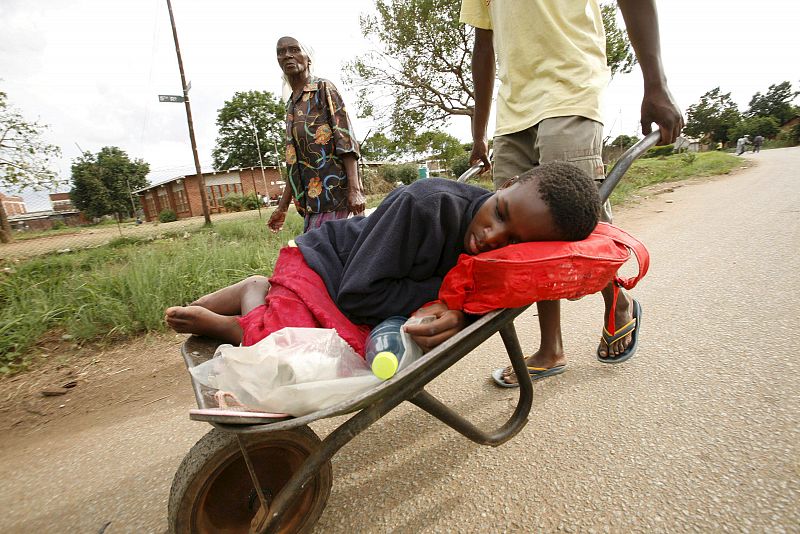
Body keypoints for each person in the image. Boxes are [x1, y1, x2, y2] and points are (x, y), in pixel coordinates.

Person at [460, 0, 684, 386]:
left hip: (570, 88)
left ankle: (619, 301)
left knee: (577, 221)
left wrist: (656, 83)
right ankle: (551, 347)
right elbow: (484, 45)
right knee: (524, 237)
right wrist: (479, 132)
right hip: (512, 111)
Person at [165, 162, 601, 352]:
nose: (491, 237)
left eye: (513, 241)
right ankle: (242, 314)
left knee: (326, 352)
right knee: (294, 348)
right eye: (499, 212)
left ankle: (260, 298)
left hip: (363, 284)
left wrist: (462, 314)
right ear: (506, 183)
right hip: (326, 267)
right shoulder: (424, 205)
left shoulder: (508, 260)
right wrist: (448, 298)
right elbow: (358, 296)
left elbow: (479, 296)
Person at [267, 36, 366, 234]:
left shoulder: (323, 89)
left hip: (337, 198)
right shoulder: (291, 105)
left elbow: (346, 140)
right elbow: (294, 162)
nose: (287, 56)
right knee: (320, 258)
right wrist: (282, 207)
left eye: (294, 49)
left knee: (326, 258)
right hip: (312, 204)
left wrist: (355, 191)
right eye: (281, 52)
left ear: (308, 58)